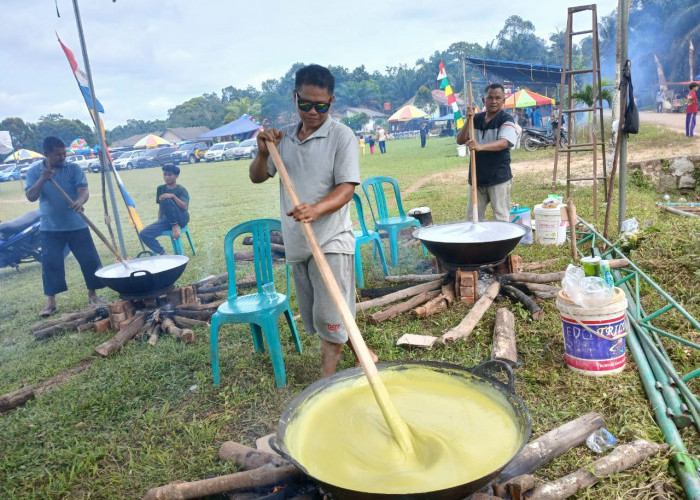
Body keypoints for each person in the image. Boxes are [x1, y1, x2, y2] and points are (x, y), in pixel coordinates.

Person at [249, 63, 376, 377]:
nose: (313, 111)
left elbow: (347, 189)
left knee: (330, 314)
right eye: (305, 104)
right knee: (322, 316)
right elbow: (257, 177)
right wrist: (263, 152)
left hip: (331, 239)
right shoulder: (284, 139)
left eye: (321, 105)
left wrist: (316, 209)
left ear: (331, 102)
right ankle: (363, 353)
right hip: (298, 244)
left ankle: (326, 381)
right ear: (295, 98)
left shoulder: (342, 136)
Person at [25, 136, 105, 317]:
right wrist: (42, 179)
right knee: (51, 263)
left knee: (89, 260)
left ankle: (93, 295)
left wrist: (79, 201)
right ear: (46, 155)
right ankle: (51, 303)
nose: (62, 157)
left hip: (76, 225)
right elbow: (31, 196)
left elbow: (83, 190)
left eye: (64, 153)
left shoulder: (73, 168)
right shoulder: (34, 171)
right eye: (57, 154)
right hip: (50, 228)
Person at [456, 83, 518, 222]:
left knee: (501, 218)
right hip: (477, 179)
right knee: (473, 219)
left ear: (503, 101)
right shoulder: (475, 119)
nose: (494, 101)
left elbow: (505, 142)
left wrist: (480, 146)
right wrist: (468, 120)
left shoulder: (506, 119)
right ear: (484, 100)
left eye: (498, 98)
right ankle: (476, 244)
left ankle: (502, 244)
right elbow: (460, 140)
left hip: (498, 178)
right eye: (490, 98)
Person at [139, 164, 190, 255]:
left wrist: (173, 197)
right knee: (144, 234)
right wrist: (159, 221)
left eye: (169, 175)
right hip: (167, 220)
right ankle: (164, 254)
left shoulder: (181, 189)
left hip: (181, 218)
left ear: (176, 176)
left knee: (167, 199)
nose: (167, 177)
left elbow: (184, 207)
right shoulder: (161, 189)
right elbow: (161, 207)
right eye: (165, 174)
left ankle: (175, 225)